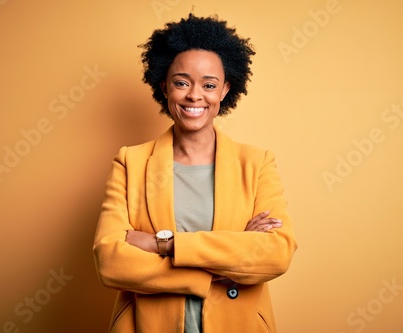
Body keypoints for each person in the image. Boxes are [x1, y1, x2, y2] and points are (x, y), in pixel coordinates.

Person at [93, 13, 297, 333]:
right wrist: (221, 263)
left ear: (225, 90)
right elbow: (110, 261)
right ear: (165, 86)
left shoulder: (257, 164)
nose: (194, 95)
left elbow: (276, 254)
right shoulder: (130, 162)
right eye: (181, 82)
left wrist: (167, 245)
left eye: (209, 85)